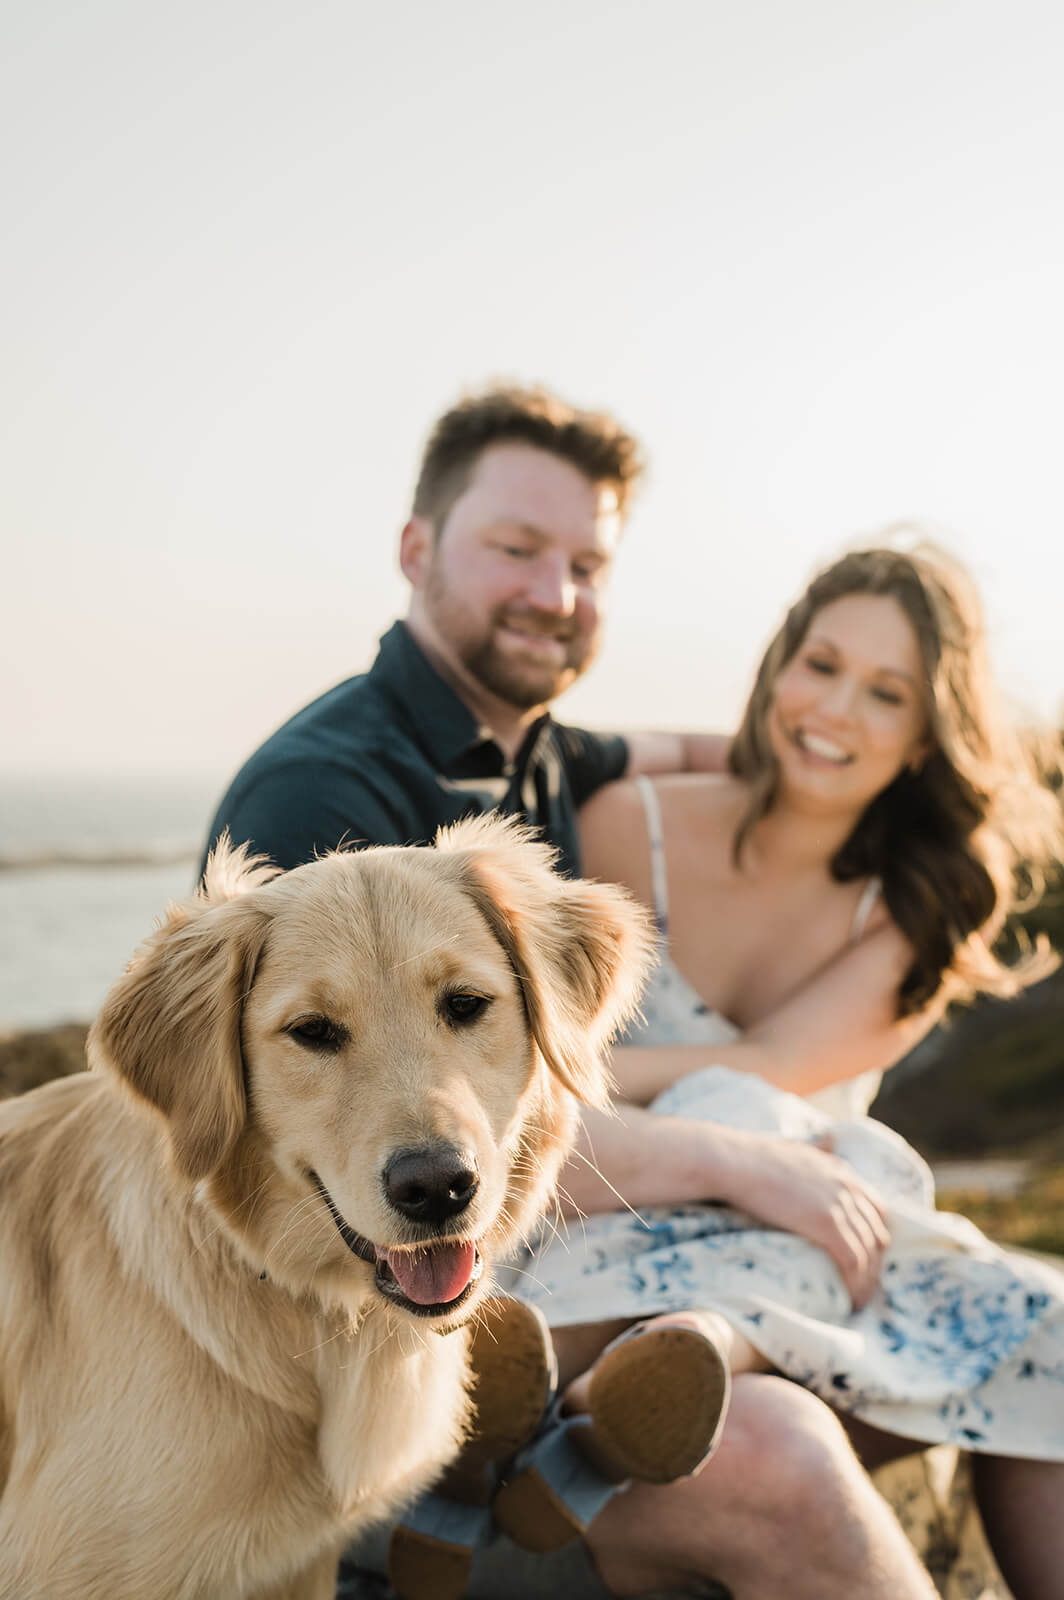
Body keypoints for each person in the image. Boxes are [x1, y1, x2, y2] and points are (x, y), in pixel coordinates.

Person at [203, 387, 940, 1600]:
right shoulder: (321, 805)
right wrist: (740, 1163)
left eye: (585, 561)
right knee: (785, 1446)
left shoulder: (545, 751)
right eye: (513, 548)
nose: (554, 592)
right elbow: (379, 1136)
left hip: (528, 1291)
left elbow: (725, 750)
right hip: (342, 1408)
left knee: (995, 1340)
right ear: (414, 549)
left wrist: (890, 772)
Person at [500, 544, 1064, 1600]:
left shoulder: (918, 903)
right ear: (775, 666)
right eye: (819, 664)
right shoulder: (629, 823)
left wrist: (577, 1064)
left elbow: (765, 1070)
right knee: (747, 1124)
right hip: (605, 1224)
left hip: (800, 1258)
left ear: (923, 733)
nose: (835, 709)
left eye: (884, 693)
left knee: (1049, 1325)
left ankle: (660, 1369)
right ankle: (554, 1389)